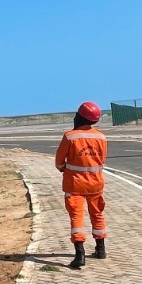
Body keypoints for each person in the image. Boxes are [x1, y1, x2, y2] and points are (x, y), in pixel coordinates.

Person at [54, 101, 107, 270]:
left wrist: (65, 169)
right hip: (96, 183)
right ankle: (101, 249)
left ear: (80, 116)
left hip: (75, 184)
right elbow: (102, 159)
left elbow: (59, 161)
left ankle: (80, 254)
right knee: (97, 214)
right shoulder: (101, 137)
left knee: (77, 218)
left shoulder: (70, 136)